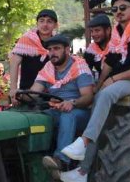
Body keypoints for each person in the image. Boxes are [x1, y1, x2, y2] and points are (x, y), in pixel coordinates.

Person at [60, 0, 130, 182]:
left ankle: (84, 142)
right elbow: (110, 62)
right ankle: (82, 171)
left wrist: (112, 80)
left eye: (123, 8)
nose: (119, 12)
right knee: (97, 107)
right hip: (117, 81)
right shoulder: (119, 32)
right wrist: (99, 84)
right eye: (115, 9)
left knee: (106, 94)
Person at [28, 35, 94, 173]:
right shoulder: (48, 68)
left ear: (67, 49)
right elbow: (34, 92)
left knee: (67, 115)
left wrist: (73, 102)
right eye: (50, 49)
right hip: (56, 110)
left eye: (57, 48)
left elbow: (88, 97)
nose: (52, 52)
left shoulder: (79, 66)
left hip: (80, 112)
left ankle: (62, 161)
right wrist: (20, 96)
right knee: (35, 118)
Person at [9, 9, 58, 103]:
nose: (45, 25)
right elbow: (14, 63)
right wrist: (13, 89)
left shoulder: (58, 42)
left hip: (52, 94)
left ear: (55, 25)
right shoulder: (26, 39)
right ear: (37, 23)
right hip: (27, 93)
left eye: (49, 21)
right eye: (41, 21)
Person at [83, 14, 118, 79]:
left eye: (97, 30)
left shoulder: (118, 47)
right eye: (91, 31)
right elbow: (85, 71)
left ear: (108, 30)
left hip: (121, 81)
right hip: (101, 83)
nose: (93, 34)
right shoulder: (91, 51)